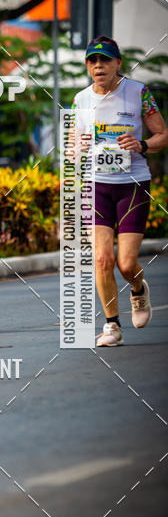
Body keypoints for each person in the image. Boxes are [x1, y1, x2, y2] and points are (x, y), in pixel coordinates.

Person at [72, 36, 168, 347]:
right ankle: (112, 325)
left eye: (105, 60)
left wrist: (141, 145)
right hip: (96, 185)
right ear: (87, 66)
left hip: (133, 185)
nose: (98, 66)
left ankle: (138, 289)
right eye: (92, 61)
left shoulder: (138, 93)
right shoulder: (80, 100)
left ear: (118, 64)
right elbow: (72, 150)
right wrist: (78, 148)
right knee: (102, 259)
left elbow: (162, 135)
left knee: (126, 264)